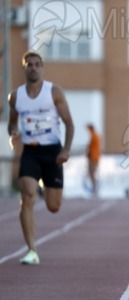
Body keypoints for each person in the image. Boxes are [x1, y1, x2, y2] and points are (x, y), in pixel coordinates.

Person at [7, 51, 74, 265]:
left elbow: (69, 123)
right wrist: (14, 131)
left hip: (52, 152)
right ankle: (32, 250)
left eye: (37, 64)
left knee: (54, 206)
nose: (33, 68)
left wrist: (66, 150)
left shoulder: (54, 92)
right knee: (26, 196)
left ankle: (45, 185)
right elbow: (12, 122)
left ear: (42, 68)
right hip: (31, 151)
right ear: (24, 68)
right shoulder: (15, 97)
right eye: (29, 65)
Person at [86, 123, 102, 196]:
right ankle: (95, 188)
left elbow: (89, 148)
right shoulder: (97, 135)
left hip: (93, 158)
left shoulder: (93, 136)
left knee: (92, 174)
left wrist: (88, 154)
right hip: (95, 157)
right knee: (92, 174)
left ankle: (95, 188)